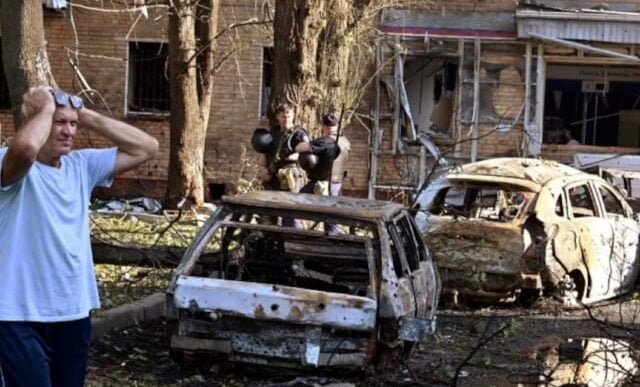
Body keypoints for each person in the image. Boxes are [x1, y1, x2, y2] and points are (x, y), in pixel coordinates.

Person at [0, 86, 159, 387]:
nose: (68, 132)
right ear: (38, 122)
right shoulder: (11, 164)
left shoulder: (81, 166)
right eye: (60, 123)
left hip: (71, 309)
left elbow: (147, 147)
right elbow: (25, 150)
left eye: (72, 124)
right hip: (16, 313)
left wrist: (85, 115)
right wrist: (46, 108)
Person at [295, 113, 350, 234]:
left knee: (294, 206)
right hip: (337, 184)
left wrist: (300, 143)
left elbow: (301, 147)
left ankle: (293, 234)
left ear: (324, 127)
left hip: (322, 184)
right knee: (332, 216)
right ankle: (332, 241)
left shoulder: (325, 141)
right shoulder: (344, 141)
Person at [261, 103, 309, 193]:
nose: (286, 119)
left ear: (293, 116)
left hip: (290, 175)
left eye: (289, 116)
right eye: (283, 117)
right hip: (272, 174)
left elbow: (307, 151)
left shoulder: (299, 134)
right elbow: (265, 151)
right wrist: (263, 169)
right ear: (278, 117)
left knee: (289, 203)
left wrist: (297, 155)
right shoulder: (273, 132)